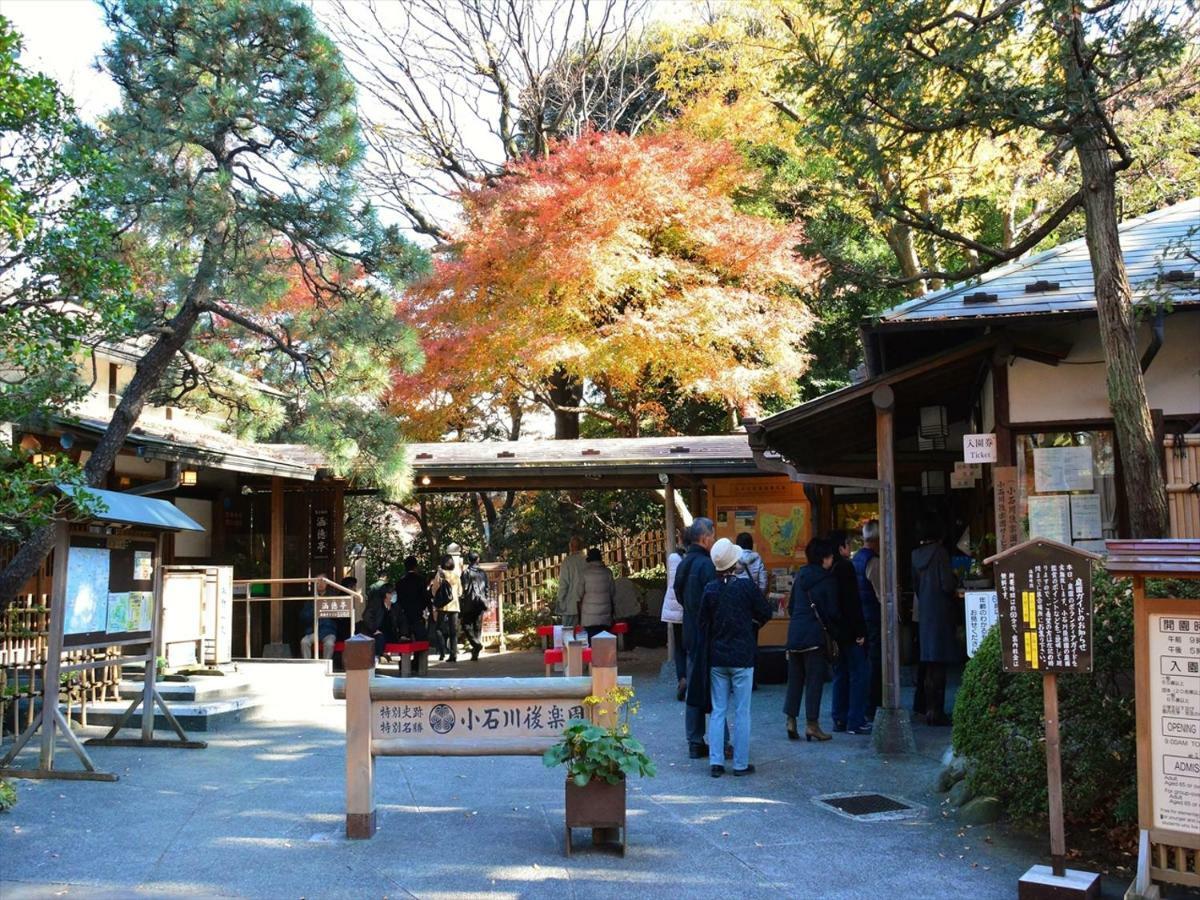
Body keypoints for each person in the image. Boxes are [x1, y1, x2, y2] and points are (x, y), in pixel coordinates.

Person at [700, 538, 772, 777]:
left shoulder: (710, 589)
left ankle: (716, 762)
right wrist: (751, 624)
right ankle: (740, 763)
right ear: (735, 562)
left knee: (719, 710)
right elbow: (765, 612)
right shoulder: (745, 587)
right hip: (742, 656)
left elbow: (703, 625)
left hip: (717, 657)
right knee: (742, 711)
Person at [677, 517, 728, 760]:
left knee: (694, 685)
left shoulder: (684, 563)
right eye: (714, 536)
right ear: (705, 537)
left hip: (689, 629)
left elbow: (678, 594)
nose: (715, 540)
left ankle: (694, 741)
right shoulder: (707, 566)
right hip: (708, 633)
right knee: (717, 687)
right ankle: (723, 741)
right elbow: (716, 601)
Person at [783, 538, 839, 742]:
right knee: (814, 680)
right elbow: (832, 612)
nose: (832, 559)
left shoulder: (800, 576)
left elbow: (791, 607)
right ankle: (812, 725)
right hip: (814, 636)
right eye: (831, 556)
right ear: (824, 558)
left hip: (795, 634)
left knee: (795, 679)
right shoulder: (827, 579)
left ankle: (790, 720)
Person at [912, 511, 958, 726]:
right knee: (939, 665)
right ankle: (936, 712)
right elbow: (947, 585)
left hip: (925, 613)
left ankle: (927, 709)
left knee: (929, 663)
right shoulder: (940, 553)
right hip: (941, 613)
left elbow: (916, 587)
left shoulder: (915, 555)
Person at [828, 530, 870, 735]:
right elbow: (853, 603)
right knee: (858, 673)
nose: (849, 548)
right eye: (847, 544)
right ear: (841, 548)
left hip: (836, 630)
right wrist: (860, 631)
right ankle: (855, 720)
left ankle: (839, 718)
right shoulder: (846, 568)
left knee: (840, 674)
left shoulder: (830, 569)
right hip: (850, 630)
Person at [852, 521, 883, 721]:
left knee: (861, 662)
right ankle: (872, 705)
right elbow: (882, 594)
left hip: (859, 616)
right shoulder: (873, 561)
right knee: (875, 661)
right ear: (877, 540)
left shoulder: (855, 559)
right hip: (872, 616)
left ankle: (862, 705)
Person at [660, 532, 689, 702]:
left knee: (679, 647)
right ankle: (692, 680)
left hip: (673, 607)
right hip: (688, 608)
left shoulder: (673, 558)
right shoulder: (691, 559)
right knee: (691, 646)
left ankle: (682, 678)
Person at [579, 548, 616, 643]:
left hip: (589, 615)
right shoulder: (608, 572)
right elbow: (612, 592)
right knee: (604, 643)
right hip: (605, 615)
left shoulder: (584, 573)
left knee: (591, 643)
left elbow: (579, 593)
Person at [430, 553, 462, 662]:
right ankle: (453, 655)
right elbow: (460, 592)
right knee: (453, 631)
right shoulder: (456, 575)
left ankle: (442, 652)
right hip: (454, 605)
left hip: (442, 606)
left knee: (438, 629)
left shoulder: (439, 575)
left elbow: (434, 590)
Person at [299, 573, 338, 659]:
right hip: (313, 630)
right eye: (318, 582)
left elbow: (338, 616)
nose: (320, 584)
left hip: (328, 630)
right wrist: (315, 610)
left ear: (327, 583)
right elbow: (303, 616)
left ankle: (325, 667)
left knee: (329, 644)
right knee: (304, 642)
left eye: (323, 581)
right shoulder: (310, 599)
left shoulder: (333, 597)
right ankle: (307, 666)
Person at [395, 556, 433, 643]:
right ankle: (417, 656)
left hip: (404, 614)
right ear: (416, 566)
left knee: (404, 642)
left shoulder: (400, 582)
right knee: (421, 641)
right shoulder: (421, 580)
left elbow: (399, 599)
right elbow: (425, 596)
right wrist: (430, 608)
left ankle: (405, 656)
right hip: (418, 614)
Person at [459, 551, 489, 661]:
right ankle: (476, 649)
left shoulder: (466, 572)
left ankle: (476, 645)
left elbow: (465, 588)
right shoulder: (482, 573)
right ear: (478, 559)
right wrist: (485, 599)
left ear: (469, 560)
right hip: (480, 602)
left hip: (469, 603)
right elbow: (486, 588)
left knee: (466, 625)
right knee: (477, 626)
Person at [357, 582, 398, 659]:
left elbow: (402, 620)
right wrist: (374, 629)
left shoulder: (395, 606)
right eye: (393, 593)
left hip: (388, 632)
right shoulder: (376, 603)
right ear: (387, 594)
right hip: (373, 632)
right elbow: (366, 616)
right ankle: (375, 659)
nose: (394, 595)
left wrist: (404, 634)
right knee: (379, 638)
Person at [556, 536, 587, 629]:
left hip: (571, 604)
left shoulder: (567, 561)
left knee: (569, 634)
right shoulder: (587, 560)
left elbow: (563, 584)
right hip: (586, 604)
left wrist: (560, 601)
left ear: (571, 546)